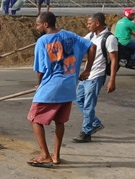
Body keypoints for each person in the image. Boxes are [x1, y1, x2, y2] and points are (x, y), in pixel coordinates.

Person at [27, 12, 96, 167]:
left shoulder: (43, 41)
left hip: (52, 86)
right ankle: (56, 156)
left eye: (38, 24)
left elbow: (40, 70)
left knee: (34, 119)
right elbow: (92, 47)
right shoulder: (70, 35)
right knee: (59, 121)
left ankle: (45, 155)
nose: (37, 27)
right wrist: (87, 70)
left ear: (45, 25)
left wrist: (39, 85)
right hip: (69, 86)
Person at [73, 12, 118, 143]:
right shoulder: (91, 35)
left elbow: (114, 59)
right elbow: (79, 42)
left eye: (89, 23)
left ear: (97, 23)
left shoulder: (109, 39)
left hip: (97, 75)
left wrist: (112, 80)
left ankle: (86, 133)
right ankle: (95, 122)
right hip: (87, 74)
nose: (87, 25)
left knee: (89, 105)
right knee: (77, 98)